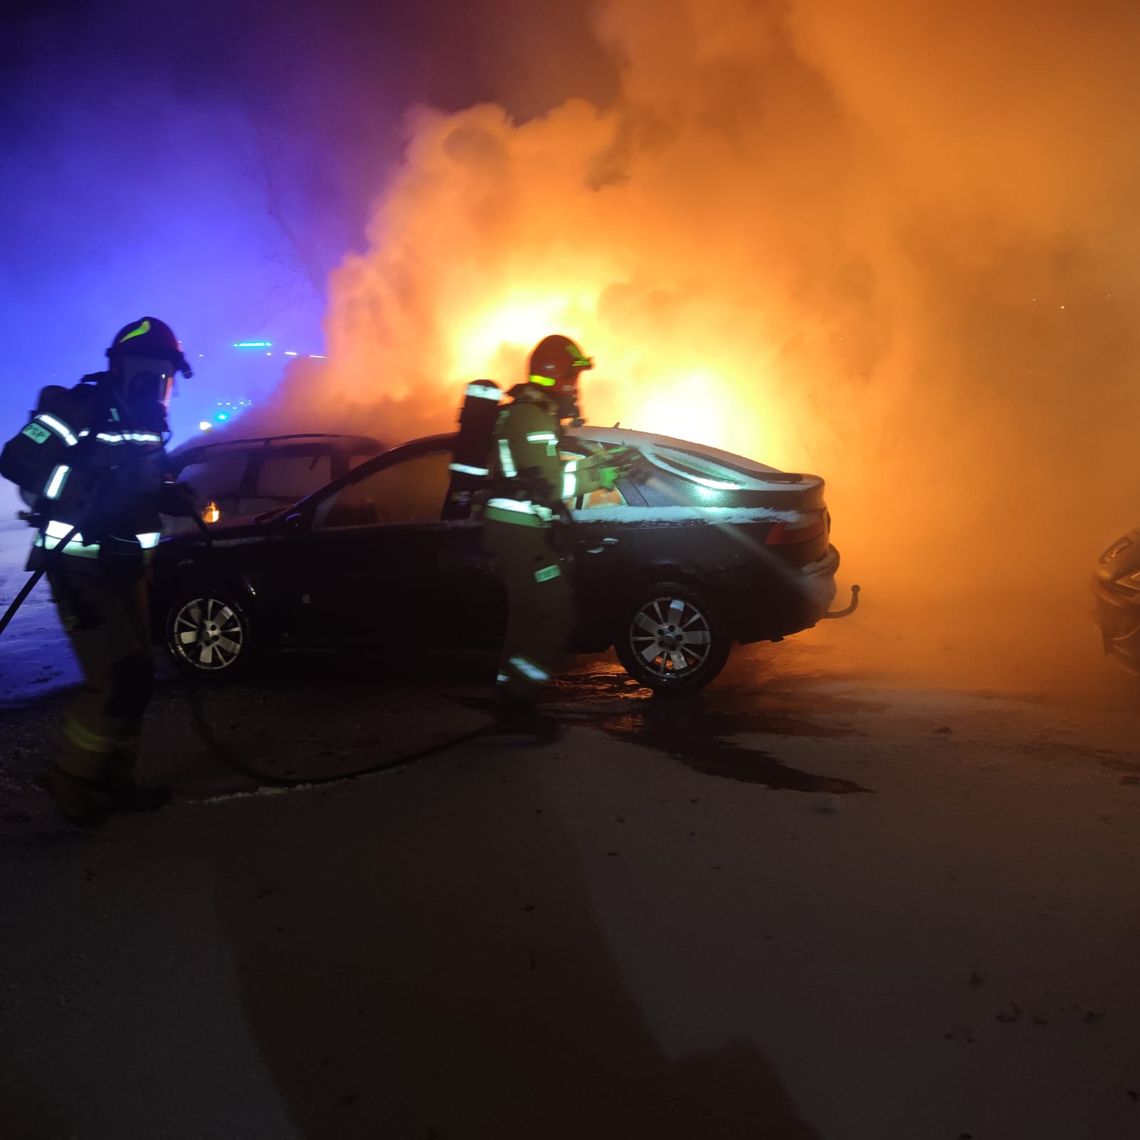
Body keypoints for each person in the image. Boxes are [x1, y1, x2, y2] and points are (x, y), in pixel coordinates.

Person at [0, 317, 200, 827]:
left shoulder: (149, 422)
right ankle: (72, 778)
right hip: (78, 565)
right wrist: (80, 483)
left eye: (165, 377)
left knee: (138, 676)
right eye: (150, 373)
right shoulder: (78, 408)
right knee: (115, 675)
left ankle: (114, 779)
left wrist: (169, 495)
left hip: (128, 565)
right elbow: (16, 461)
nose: (158, 386)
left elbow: (145, 482)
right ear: (122, 367)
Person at [481, 334, 631, 738]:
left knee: (526, 615)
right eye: (572, 378)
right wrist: (597, 476)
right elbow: (548, 484)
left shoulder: (529, 415)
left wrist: (598, 465)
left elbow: (542, 473)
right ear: (555, 375)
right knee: (557, 610)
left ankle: (511, 698)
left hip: (515, 530)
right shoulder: (531, 418)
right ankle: (519, 700)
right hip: (519, 533)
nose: (575, 388)